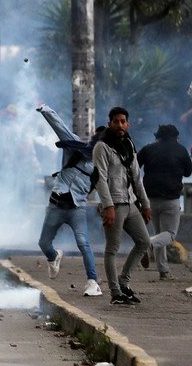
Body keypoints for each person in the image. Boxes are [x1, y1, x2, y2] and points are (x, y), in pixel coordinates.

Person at [35, 104, 104, 297]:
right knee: (44, 243)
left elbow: (108, 185)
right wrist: (46, 110)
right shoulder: (75, 146)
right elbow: (61, 128)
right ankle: (54, 256)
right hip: (56, 205)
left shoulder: (101, 164)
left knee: (83, 243)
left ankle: (93, 282)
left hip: (76, 208)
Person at [93, 106, 152, 305]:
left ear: (128, 124)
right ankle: (115, 292)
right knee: (112, 249)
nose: (120, 125)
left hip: (130, 202)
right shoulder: (102, 147)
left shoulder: (129, 144)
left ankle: (124, 283)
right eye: (116, 121)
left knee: (144, 241)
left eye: (123, 121)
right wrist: (107, 206)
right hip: (114, 205)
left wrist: (145, 204)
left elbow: (137, 177)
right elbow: (100, 179)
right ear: (110, 123)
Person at [136, 124, 192, 280]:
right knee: (170, 235)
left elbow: (134, 166)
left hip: (150, 199)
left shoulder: (148, 148)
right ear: (175, 136)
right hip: (171, 199)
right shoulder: (181, 149)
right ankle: (148, 244)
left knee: (159, 234)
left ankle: (163, 271)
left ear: (157, 136)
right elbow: (188, 171)